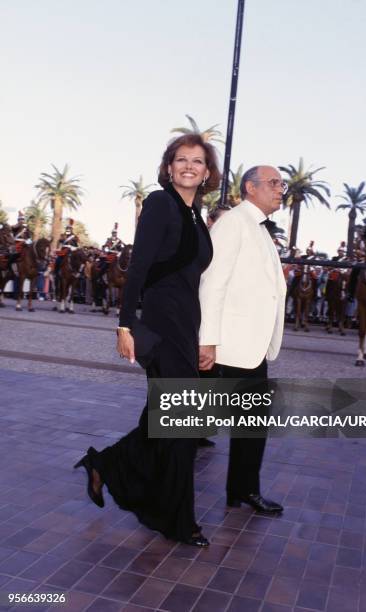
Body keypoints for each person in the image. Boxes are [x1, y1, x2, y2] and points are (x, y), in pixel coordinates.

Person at [74, 134, 220, 546]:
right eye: (181, 160)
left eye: (197, 161)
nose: (189, 166)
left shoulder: (196, 216)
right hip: (158, 326)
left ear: (208, 172)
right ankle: (179, 520)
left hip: (184, 326)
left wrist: (202, 337)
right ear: (169, 167)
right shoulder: (160, 203)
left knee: (163, 420)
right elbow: (138, 267)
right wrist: (124, 325)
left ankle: (104, 464)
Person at [199, 165, 287, 514]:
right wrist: (207, 340)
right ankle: (113, 467)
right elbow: (213, 283)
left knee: (252, 423)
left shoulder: (259, 228)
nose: (281, 189)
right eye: (273, 183)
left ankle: (243, 490)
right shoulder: (234, 223)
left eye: (281, 183)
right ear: (250, 188)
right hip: (228, 346)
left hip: (249, 346)